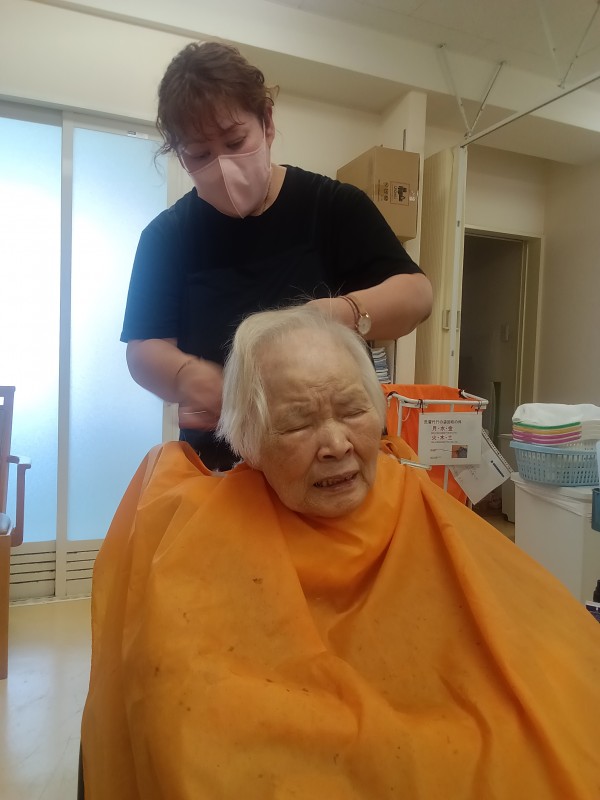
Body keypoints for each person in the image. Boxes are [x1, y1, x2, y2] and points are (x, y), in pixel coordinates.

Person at [82, 306, 600, 799]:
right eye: (297, 423)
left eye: (353, 411)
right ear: (248, 438)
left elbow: (531, 634)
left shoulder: (415, 497)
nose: (336, 444)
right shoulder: (203, 528)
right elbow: (190, 712)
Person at [121, 40, 433, 470]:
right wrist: (194, 378)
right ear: (178, 154)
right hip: (223, 465)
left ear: (267, 121)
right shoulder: (167, 237)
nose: (223, 165)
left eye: (235, 141)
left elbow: (417, 295)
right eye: (199, 154)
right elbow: (143, 350)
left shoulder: (332, 207)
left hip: (333, 459)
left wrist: (339, 313)